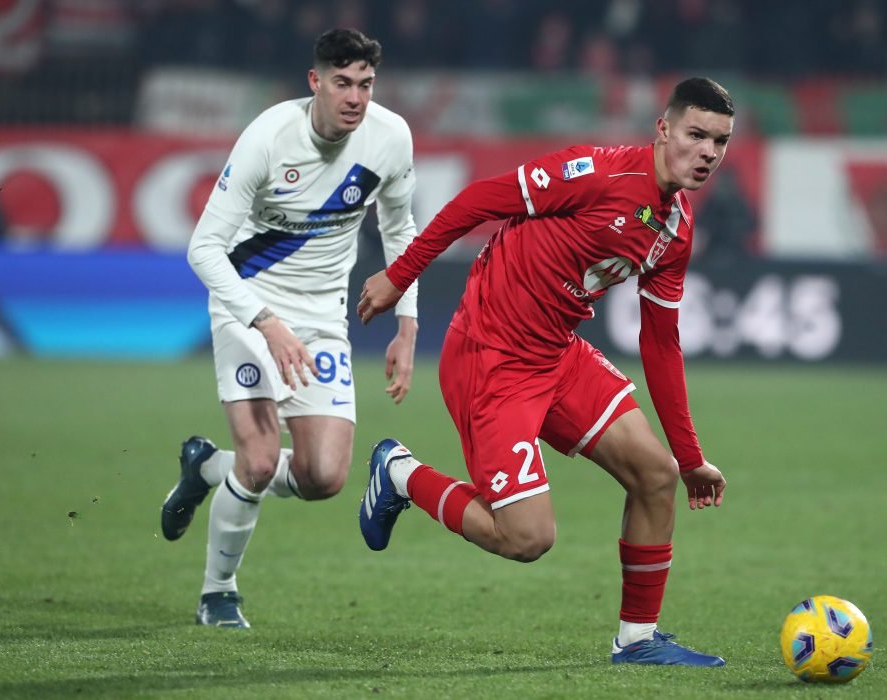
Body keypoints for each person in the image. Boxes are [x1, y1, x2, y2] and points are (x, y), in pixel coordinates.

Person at [357, 77, 732, 665]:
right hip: (492, 356)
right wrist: (400, 274)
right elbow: (477, 200)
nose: (708, 152)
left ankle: (636, 639)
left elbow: (660, 344)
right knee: (527, 538)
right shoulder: (599, 174)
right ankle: (402, 474)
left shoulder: (675, 231)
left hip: (558, 354)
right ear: (663, 130)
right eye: (697, 134)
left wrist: (690, 458)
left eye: (720, 141)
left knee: (656, 476)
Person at [160, 28, 419, 628]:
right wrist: (264, 321)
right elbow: (204, 249)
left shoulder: (390, 138)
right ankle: (217, 592)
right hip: (248, 307)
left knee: (323, 475)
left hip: (323, 317)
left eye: (366, 84)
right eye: (342, 83)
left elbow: (401, 231)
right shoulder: (268, 138)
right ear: (316, 82)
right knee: (256, 461)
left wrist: (406, 324)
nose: (355, 97)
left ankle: (204, 468)